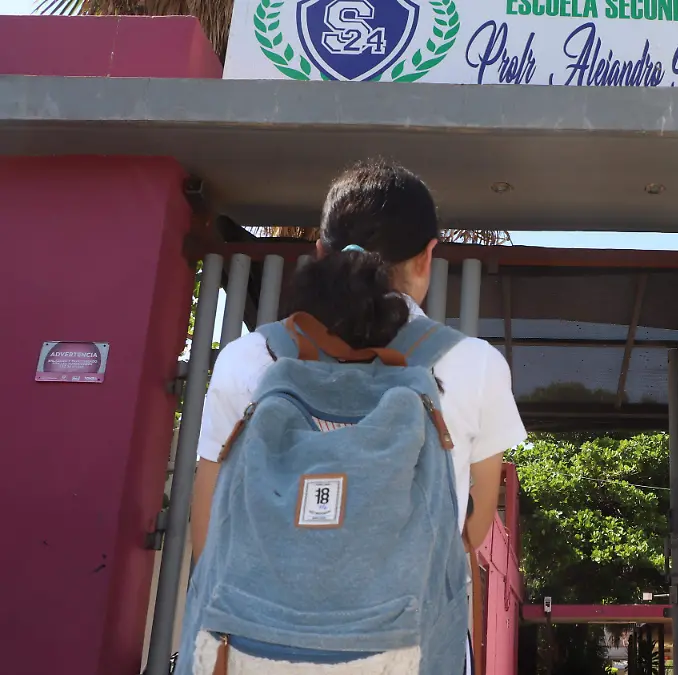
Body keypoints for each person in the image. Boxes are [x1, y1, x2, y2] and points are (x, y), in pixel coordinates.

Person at [183, 159, 527, 673]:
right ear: (427, 257)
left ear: (320, 252)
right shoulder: (475, 364)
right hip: (405, 647)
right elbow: (473, 527)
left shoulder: (249, 358)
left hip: (254, 644)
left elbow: (209, 523)